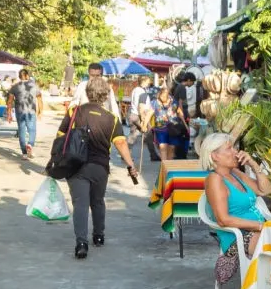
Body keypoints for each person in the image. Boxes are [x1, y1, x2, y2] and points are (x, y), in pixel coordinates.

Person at [55, 77, 138, 260]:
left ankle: (81, 243)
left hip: (76, 166)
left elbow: (61, 135)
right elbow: (121, 143)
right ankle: (99, 236)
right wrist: (131, 165)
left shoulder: (74, 112)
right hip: (100, 167)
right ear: (106, 95)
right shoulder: (112, 119)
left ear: (87, 92)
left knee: (80, 204)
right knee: (98, 201)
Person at [203, 132, 271, 267]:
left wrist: (254, 165)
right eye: (229, 148)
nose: (236, 152)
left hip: (257, 231)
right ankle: (262, 286)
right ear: (215, 155)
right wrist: (260, 226)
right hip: (237, 237)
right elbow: (223, 220)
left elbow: (266, 190)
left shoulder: (235, 173)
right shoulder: (214, 179)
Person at [6, 68, 43, 159]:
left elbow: (9, 102)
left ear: (19, 77)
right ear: (27, 75)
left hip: (20, 112)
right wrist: (40, 112)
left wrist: (9, 114)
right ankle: (30, 144)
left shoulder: (14, 87)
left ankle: (24, 154)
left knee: (21, 131)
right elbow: (40, 100)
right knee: (32, 130)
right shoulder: (34, 86)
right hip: (31, 112)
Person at [142, 87, 187, 161]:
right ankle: (164, 166)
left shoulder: (174, 102)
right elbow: (149, 114)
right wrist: (144, 125)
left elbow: (179, 112)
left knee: (171, 148)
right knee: (163, 147)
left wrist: (185, 124)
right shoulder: (155, 102)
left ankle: (168, 166)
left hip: (173, 128)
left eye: (164, 96)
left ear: (168, 95)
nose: (162, 98)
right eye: (161, 96)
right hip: (160, 128)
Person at [127, 76, 152, 146]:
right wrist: (143, 120)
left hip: (133, 114)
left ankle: (126, 153)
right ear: (143, 82)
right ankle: (153, 155)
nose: (149, 83)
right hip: (139, 115)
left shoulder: (135, 89)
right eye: (148, 82)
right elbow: (141, 107)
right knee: (149, 133)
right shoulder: (142, 92)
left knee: (133, 135)